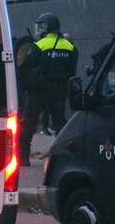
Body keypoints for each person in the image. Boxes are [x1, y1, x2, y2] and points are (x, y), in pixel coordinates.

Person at [18, 12, 78, 165]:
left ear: (45, 27)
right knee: (60, 123)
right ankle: (64, 157)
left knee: (28, 124)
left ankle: (23, 157)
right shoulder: (70, 47)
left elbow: (25, 66)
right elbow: (72, 71)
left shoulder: (40, 45)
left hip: (38, 92)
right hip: (58, 92)